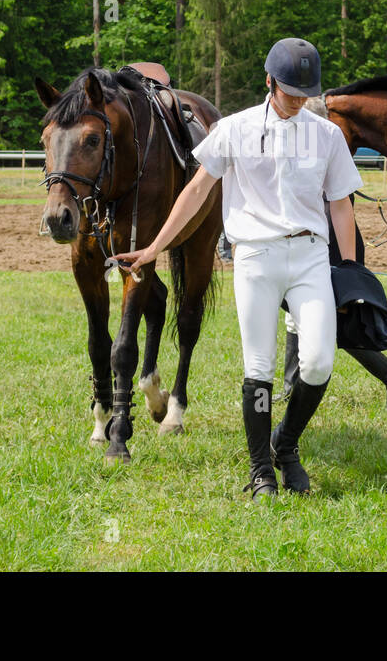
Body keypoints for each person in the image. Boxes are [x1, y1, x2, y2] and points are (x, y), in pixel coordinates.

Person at [115, 38, 362, 500]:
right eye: (289, 92)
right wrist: (153, 248)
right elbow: (194, 192)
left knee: (319, 361)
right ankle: (261, 470)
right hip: (255, 256)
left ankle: (285, 443)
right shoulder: (234, 129)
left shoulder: (326, 135)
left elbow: (342, 205)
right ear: (268, 82)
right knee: (260, 368)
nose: (297, 101)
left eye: (304, 94)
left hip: (310, 256)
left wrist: (348, 269)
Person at [280, 200, 387, 409]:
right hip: (308, 241)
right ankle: (290, 387)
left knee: (333, 322)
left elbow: (338, 202)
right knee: (295, 314)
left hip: (328, 243)